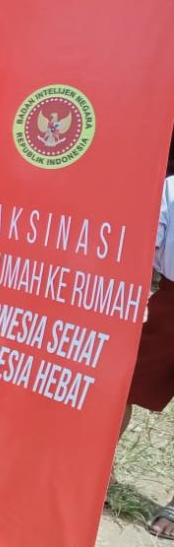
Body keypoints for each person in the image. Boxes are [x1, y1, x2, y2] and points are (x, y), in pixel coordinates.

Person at [118, 172, 174, 539]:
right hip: (171, 306)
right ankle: (86, 470)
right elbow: (143, 247)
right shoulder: (172, 187)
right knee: (119, 386)